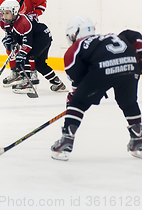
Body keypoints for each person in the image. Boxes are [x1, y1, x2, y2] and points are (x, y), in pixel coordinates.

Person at [51, 16, 142, 160]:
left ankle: (67, 139)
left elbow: (78, 82)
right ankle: (138, 140)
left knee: (78, 103)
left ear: (75, 34)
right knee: (128, 102)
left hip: (103, 70)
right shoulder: (109, 37)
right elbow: (134, 37)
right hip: (130, 66)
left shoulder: (76, 48)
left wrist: (73, 100)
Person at [0, 0, 66, 94]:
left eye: (7, 13)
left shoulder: (23, 23)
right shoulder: (6, 21)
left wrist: (21, 53)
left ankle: (26, 82)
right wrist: (9, 41)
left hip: (41, 37)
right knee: (39, 64)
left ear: (15, 12)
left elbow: (27, 44)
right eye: (3, 13)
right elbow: (9, 33)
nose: (4, 16)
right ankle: (58, 84)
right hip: (36, 37)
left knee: (24, 56)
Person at [0, 0, 47, 88]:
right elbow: (0, 7)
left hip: (27, 25)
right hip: (12, 24)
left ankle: (32, 73)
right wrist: (4, 20)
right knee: (10, 48)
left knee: (28, 48)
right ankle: (15, 72)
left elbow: (42, 4)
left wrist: (33, 14)